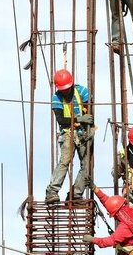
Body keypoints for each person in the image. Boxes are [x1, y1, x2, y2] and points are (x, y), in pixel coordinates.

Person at [45, 69, 94, 203]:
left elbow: (89, 113)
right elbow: (61, 120)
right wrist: (79, 119)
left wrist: (87, 126)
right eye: (63, 89)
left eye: (67, 88)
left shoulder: (82, 91)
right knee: (64, 162)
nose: (65, 91)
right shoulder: (56, 98)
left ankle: (76, 193)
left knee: (87, 165)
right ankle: (52, 191)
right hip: (68, 133)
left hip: (83, 133)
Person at [82, 186, 133, 254]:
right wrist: (95, 189)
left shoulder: (124, 227)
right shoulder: (131, 211)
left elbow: (109, 241)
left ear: (116, 213)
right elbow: (110, 203)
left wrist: (92, 239)